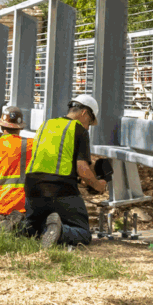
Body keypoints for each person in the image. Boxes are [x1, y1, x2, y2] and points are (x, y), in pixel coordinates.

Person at [21, 94, 108, 249]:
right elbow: (82, 169)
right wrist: (97, 185)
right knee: (83, 232)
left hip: (32, 188)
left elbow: (55, 159)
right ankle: (60, 233)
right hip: (60, 189)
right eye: (90, 121)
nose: (88, 126)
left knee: (35, 227)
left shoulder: (45, 125)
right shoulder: (78, 129)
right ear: (84, 113)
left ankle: (19, 227)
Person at [0, 105, 35, 228]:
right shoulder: (30, 145)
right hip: (21, 207)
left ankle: (6, 224)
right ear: (20, 127)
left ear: (1, 126)